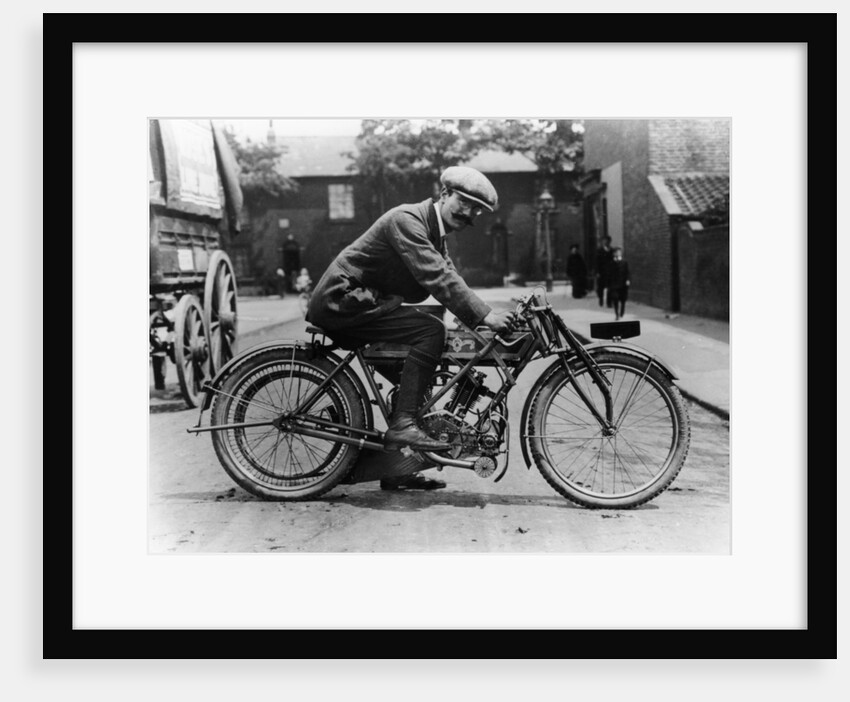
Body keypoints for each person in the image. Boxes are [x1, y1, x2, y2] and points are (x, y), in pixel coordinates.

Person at [307, 166, 518, 491]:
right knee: (430, 331)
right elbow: (436, 276)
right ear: (444, 194)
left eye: (478, 209)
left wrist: (475, 316)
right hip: (343, 301)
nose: (471, 214)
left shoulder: (432, 232)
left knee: (419, 380)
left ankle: (397, 468)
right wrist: (486, 316)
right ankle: (403, 424)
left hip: (364, 303)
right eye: (466, 202)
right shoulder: (407, 220)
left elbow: (449, 274)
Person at [607, 247, 631, 320]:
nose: (617, 254)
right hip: (614, 285)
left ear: (620, 253)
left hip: (623, 285)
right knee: (615, 299)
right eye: (616, 252)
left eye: (618, 252)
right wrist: (608, 285)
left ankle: (622, 309)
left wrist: (628, 280)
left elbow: (628, 272)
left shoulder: (624, 262)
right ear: (614, 254)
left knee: (623, 299)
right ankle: (617, 314)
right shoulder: (611, 263)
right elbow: (609, 274)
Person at [594, 236, 614, 308]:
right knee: (601, 287)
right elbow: (597, 262)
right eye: (604, 241)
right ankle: (601, 299)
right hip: (602, 272)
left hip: (610, 272)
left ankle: (609, 302)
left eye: (607, 241)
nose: (606, 242)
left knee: (610, 288)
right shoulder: (599, 251)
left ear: (609, 242)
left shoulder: (612, 250)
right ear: (603, 242)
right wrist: (597, 272)